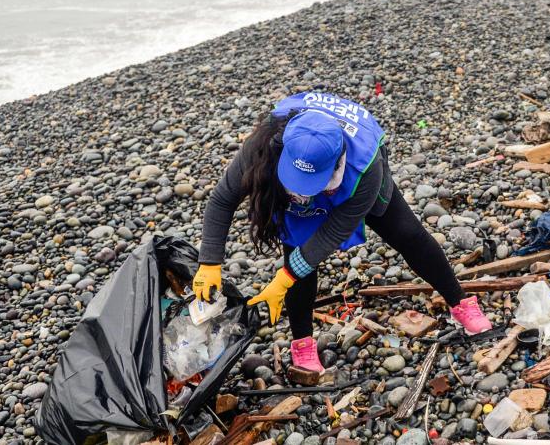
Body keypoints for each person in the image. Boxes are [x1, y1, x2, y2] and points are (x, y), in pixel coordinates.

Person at [192, 92, 493, 372]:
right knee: (297, 249)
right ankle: (302, 344)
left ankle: (460, 302)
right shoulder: (264, 145)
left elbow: (335, 230)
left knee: (407, 234)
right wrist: (209, 262)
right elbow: (222, 199)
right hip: (296, 162)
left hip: (356, 177)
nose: (303, 194)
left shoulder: (366, 165)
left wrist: (284, 278)